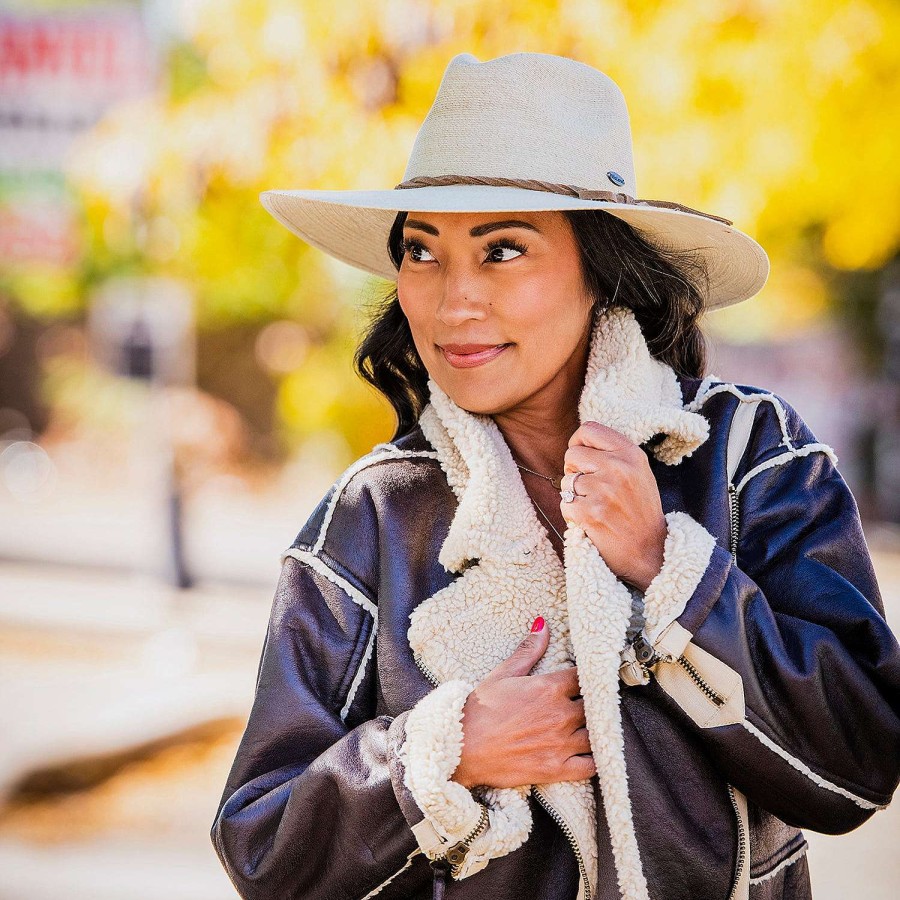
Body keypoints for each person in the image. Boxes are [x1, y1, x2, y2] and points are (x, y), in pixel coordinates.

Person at [210, 51, 900, 900]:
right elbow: (262, 848)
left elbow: (859, 765)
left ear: (599, 272)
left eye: (503, 249)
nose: (453, 301)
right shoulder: (369, 522)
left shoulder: (747, 457)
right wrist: (445, 752)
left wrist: (667, 568)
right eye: (422, 253)